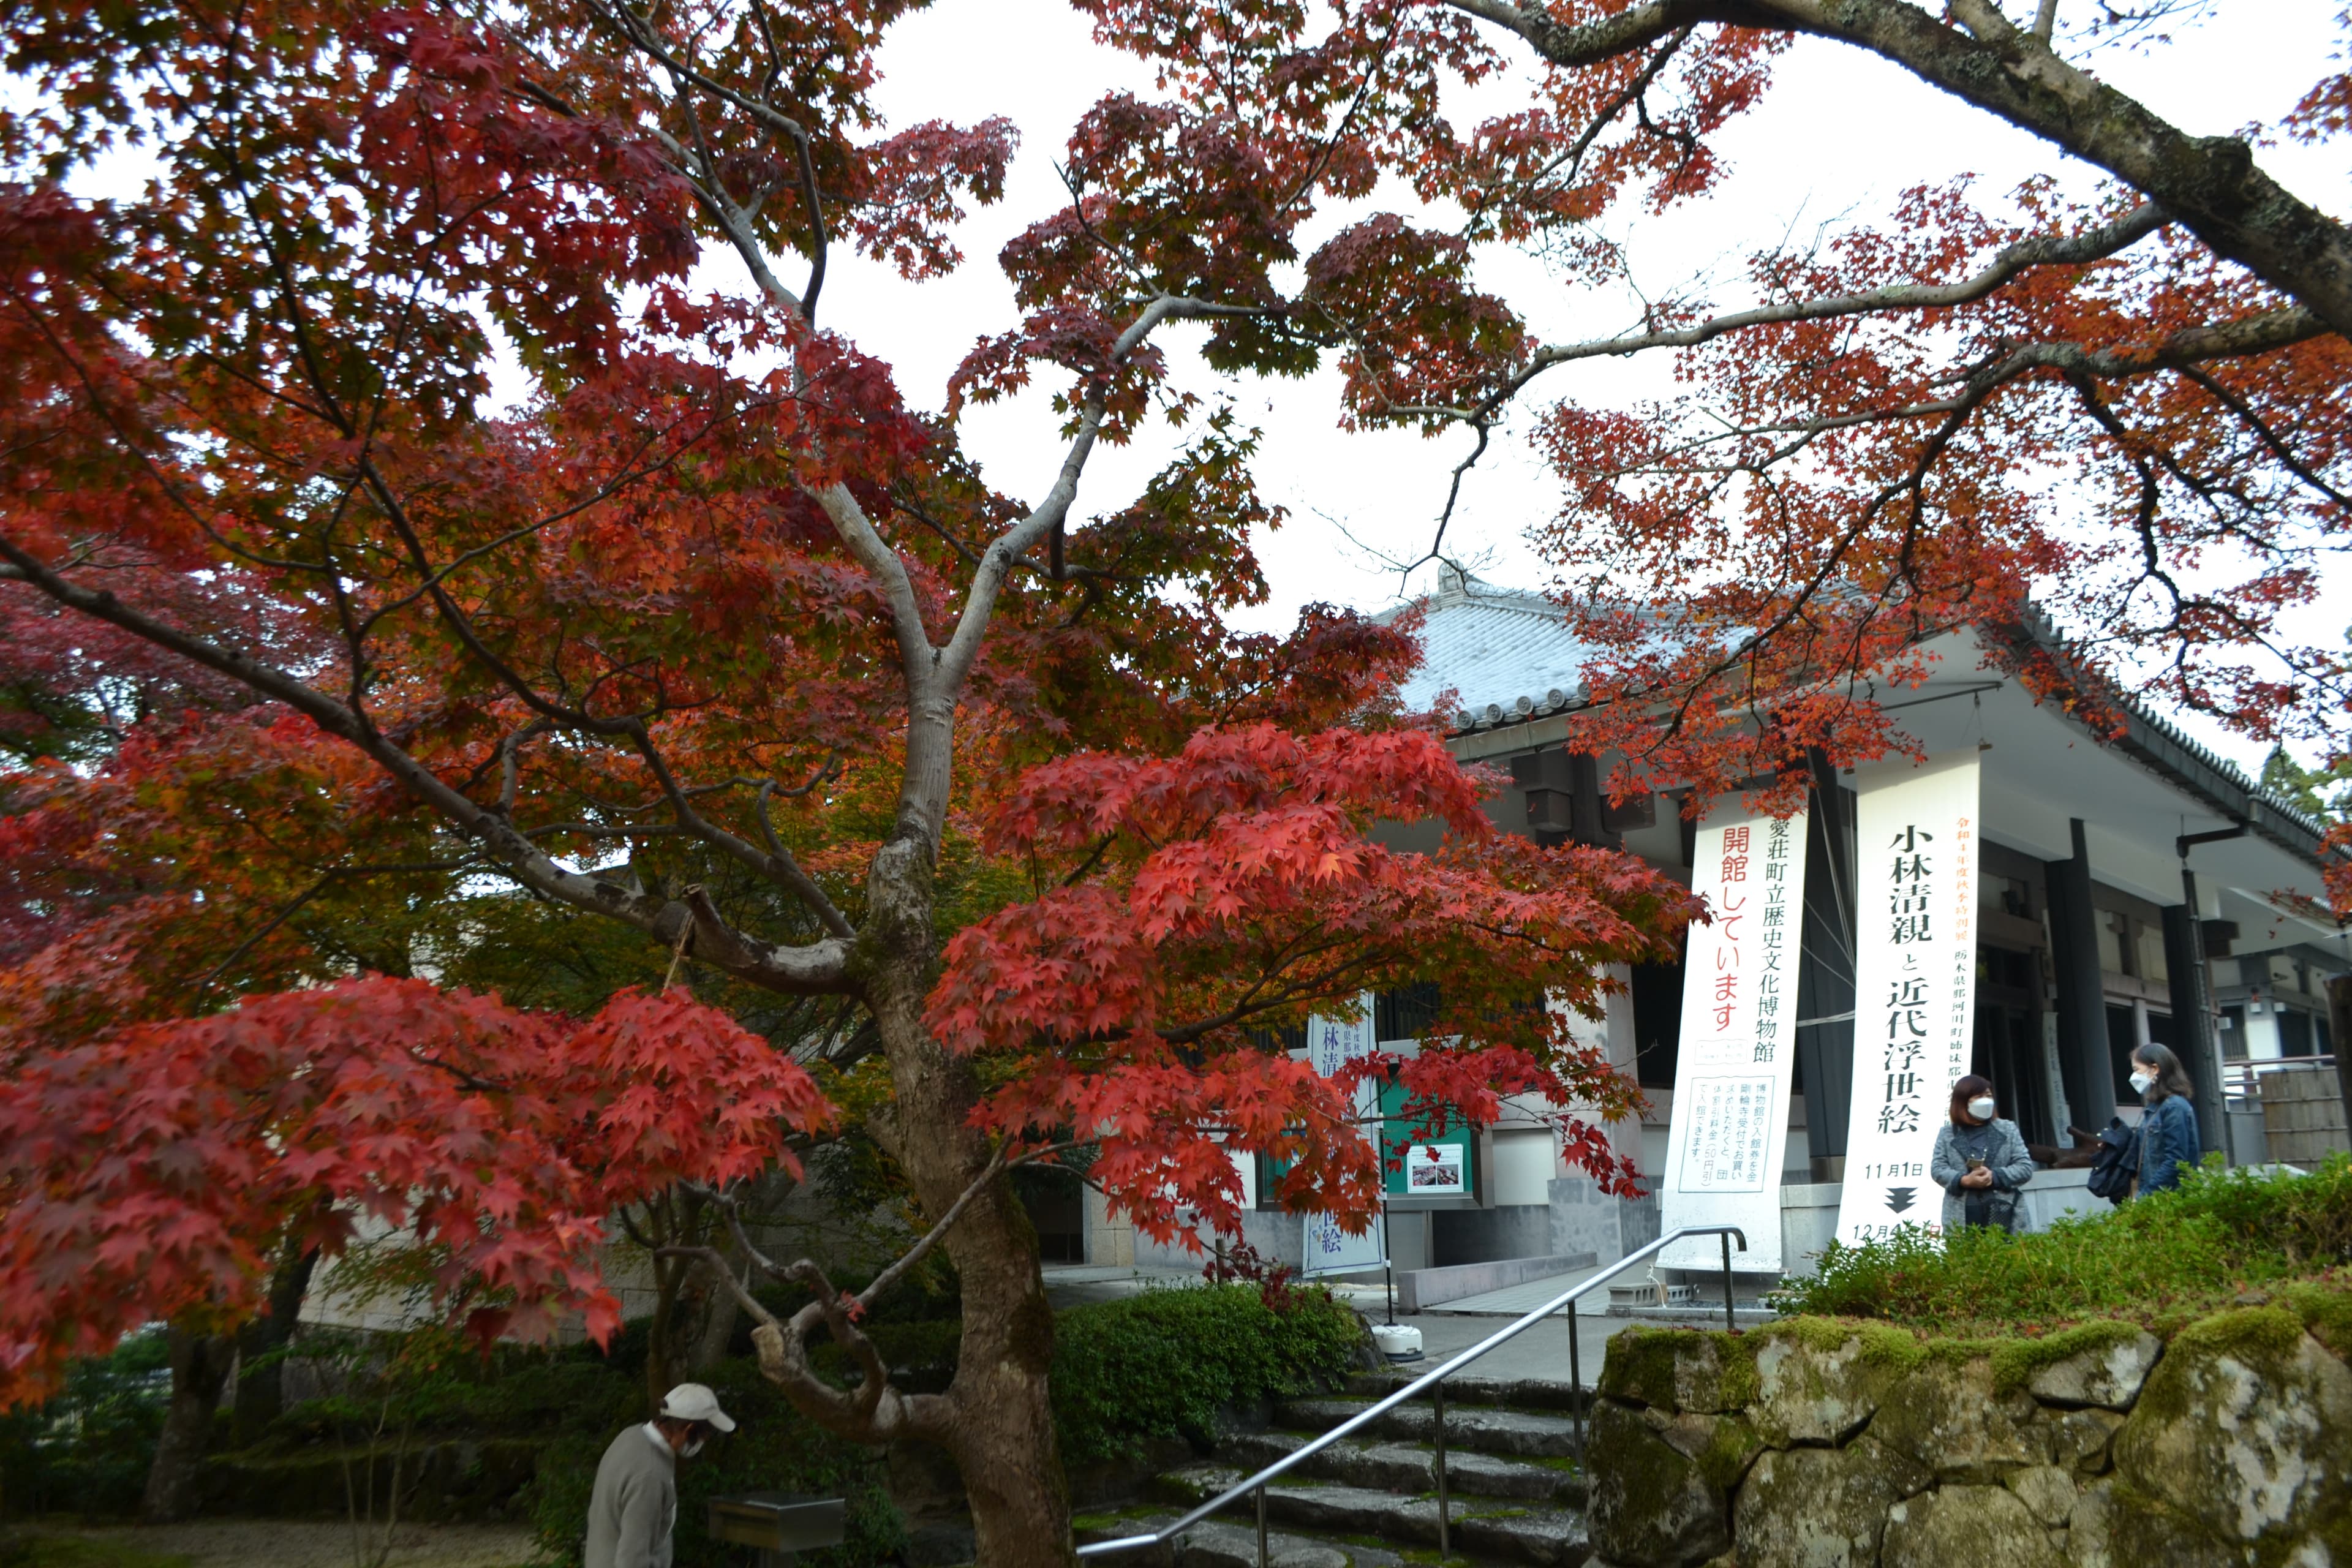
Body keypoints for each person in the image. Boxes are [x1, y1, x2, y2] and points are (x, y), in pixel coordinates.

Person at [585, 1382, 736, 1568]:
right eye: (705, 1436)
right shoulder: (651, 1476)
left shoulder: (631, 1435)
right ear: (688, 1430)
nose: (704, 1442)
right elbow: (632, 1560)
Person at [1930, 1074, 2034, 1232]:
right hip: (1961, 1215)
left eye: (1989, 1096)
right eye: (1979, 1096)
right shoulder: (1947, 1134)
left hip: (2006, 1212)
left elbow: (2025, 1167)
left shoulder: (2007, 1128)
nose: (1986, 1100)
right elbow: (1938, 1169)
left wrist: (1995, 1176)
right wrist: (1963, 1180)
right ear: (1963, 1102)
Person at [2131, 1041, 2201, 1195]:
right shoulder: (2155, 1108)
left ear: (2154, 1069)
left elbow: (2175, 1160)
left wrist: (2145, 1195)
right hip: (2158, 1195)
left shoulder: (2174, 1107)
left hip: (2171, 1198)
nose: (2134, 1077)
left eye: (2137, 1070)